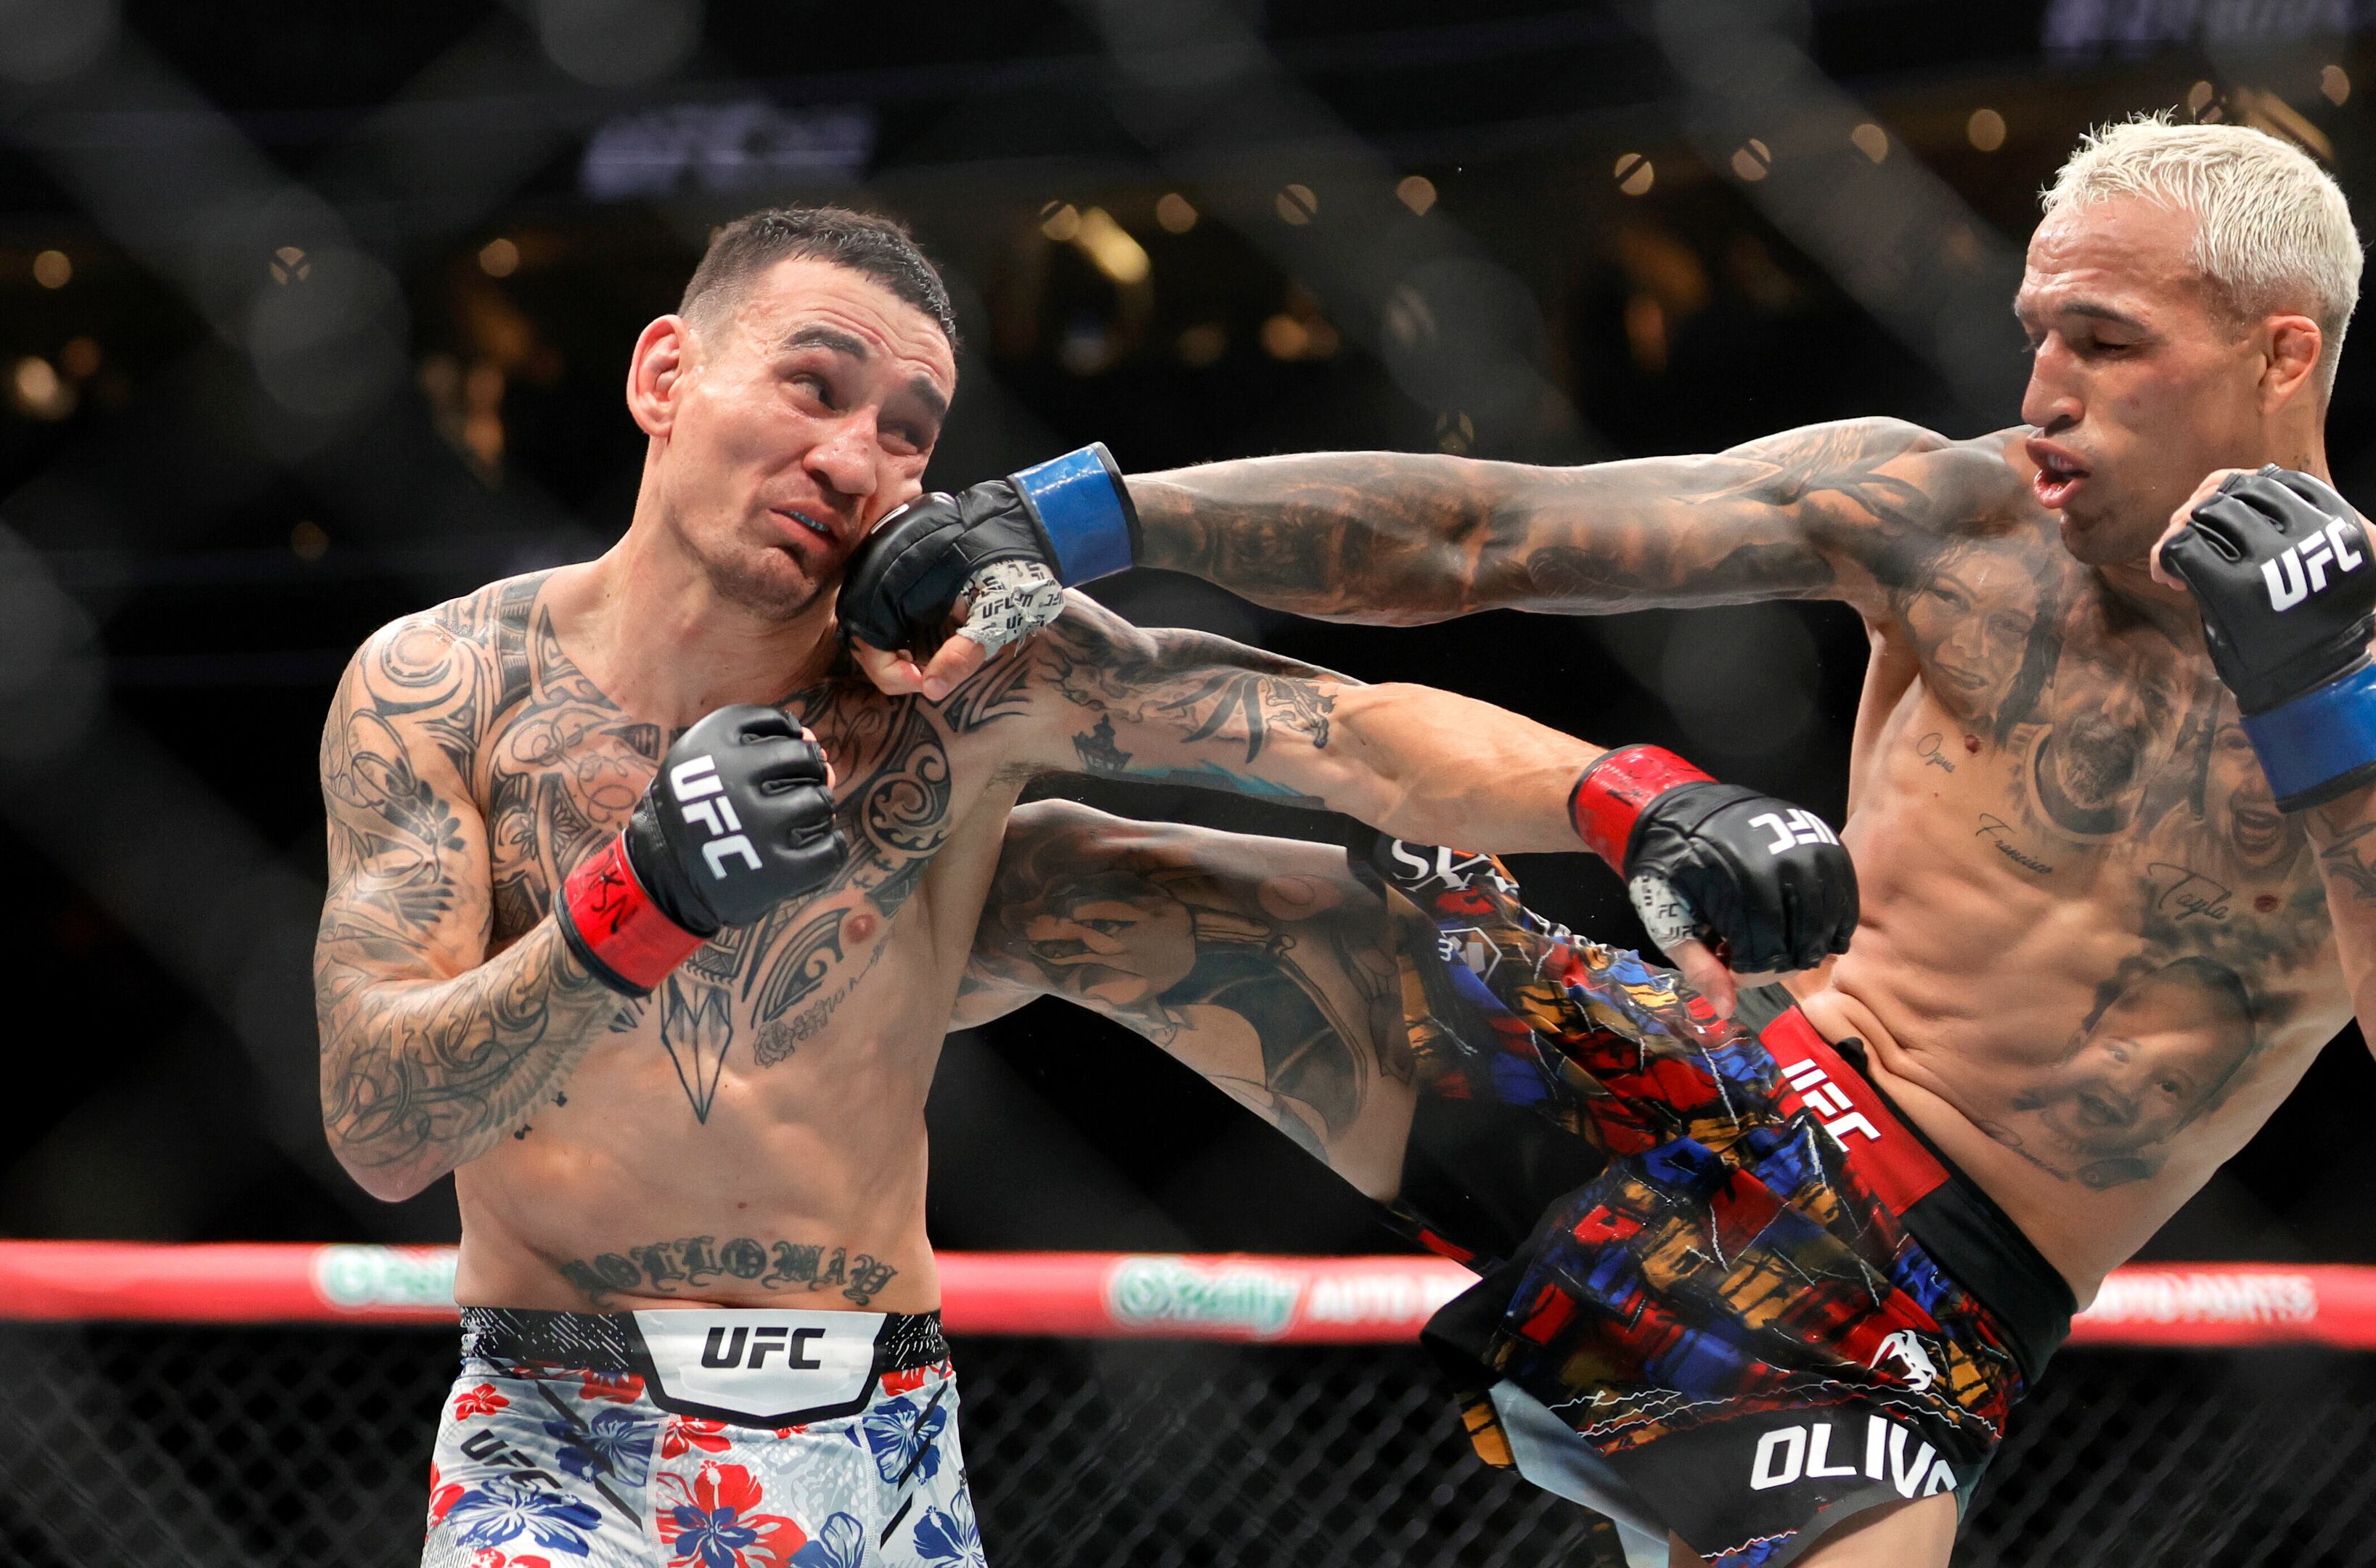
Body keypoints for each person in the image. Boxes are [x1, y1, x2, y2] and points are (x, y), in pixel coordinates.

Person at [875, 119, 2376, 1567]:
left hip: (1911, 1287)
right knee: (1067, 875)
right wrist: (1089, 511)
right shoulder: (1952, 513)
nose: (2044, 389)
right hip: (1694, 1067)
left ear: (2281, 355)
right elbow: (1489, 531)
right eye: (2039, 332)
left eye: (2106, 341)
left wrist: (2324, 722)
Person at [312, 206, 1853, 1568]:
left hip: (878, 1433)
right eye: (813, 386)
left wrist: (1634, 799)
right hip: (560, 1433)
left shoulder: (958, 684)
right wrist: (635, 901)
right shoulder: (442, 687)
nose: (851, 459)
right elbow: (381, 1124)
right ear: (666, 375)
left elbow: (1333, 731)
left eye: (908, 433)